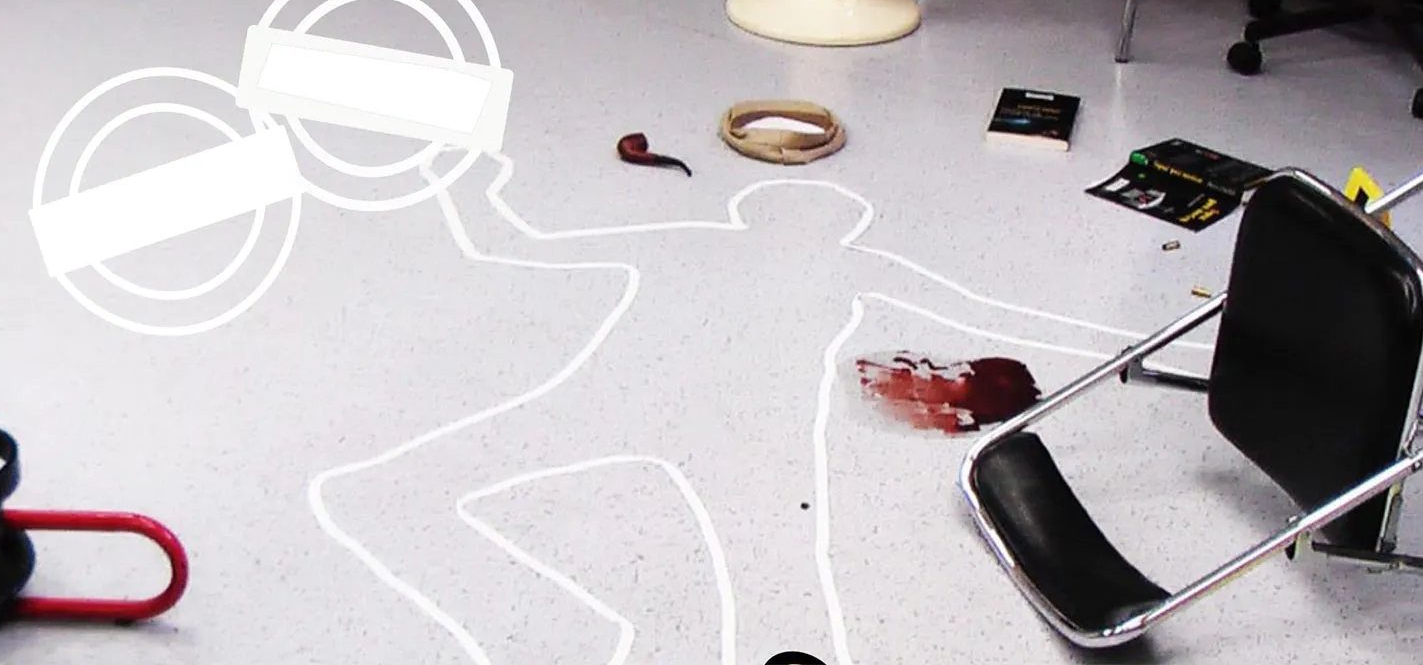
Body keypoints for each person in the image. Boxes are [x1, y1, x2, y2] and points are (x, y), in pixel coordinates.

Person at [309, 149, 1213, 665]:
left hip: (691, 427)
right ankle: (615, 630)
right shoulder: (807, 256)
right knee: (778, 590)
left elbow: (516, 239)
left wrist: (465, 181)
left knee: (779, 592)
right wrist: (463, 179)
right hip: (677, 421)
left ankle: (628, 633)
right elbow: (520, 241)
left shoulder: (720, 243)